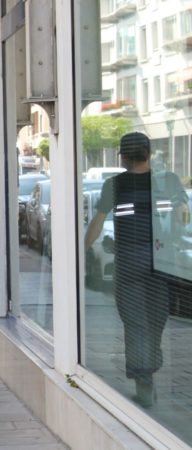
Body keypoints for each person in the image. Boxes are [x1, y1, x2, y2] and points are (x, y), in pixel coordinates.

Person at [84, 131, 189, 408]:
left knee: (134, 322)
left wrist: (82, 249)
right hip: (162, 259)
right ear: (149, 153)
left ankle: (144, 378)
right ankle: (150, 362)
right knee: (156, 318)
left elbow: (98, 222)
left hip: (129, 259)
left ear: (125, 157)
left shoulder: (115, 185)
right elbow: (183, 215)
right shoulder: (168, 181)